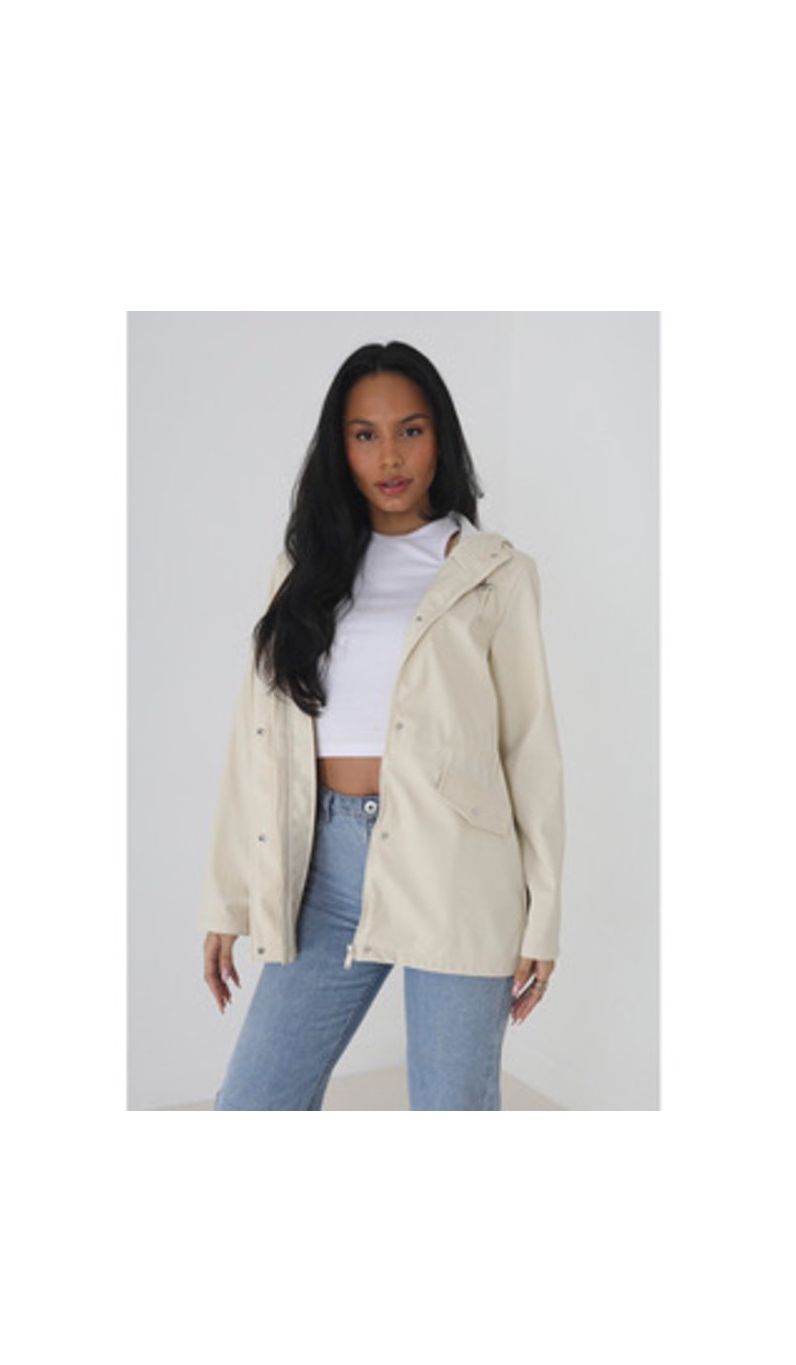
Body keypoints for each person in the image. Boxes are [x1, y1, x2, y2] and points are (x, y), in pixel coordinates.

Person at [199, 340, 565, 1110]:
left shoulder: (495, 571)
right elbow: (254, 743)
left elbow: (529, 749)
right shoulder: (301, 575)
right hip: (322, 868)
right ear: (340, 448)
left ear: (441, 438)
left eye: (411, 430)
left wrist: (543, 919)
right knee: (253, 1103)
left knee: (451, 1107)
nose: (389, 456)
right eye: (365, 434)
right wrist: (229, 898)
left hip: (456, 867)